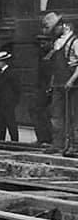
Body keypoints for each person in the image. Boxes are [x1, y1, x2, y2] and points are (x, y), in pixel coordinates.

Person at [43, 12, 78, 153]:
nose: (54, 32)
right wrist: (52, 83)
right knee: (57, 116)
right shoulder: (57, 43)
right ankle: (58, 144)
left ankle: (74, 145)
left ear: (62, 26)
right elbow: (55, 67)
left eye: (55, 28)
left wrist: (71, 81)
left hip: (72, 86)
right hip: (58, 84)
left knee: (73, 116)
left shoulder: (74, 42)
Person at [0, 50, 20, 142]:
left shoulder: (11, 73)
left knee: (10, 122)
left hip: (8, 102)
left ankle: (14, 140)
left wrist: (13, 101)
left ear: (3, 61)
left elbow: (17, 88)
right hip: (1, 102)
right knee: (1, 122)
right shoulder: (0, 73)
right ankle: (0, 139)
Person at [32, 33, 55, 146]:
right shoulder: (42, 55)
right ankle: (42, 138)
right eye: (40, 43)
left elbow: (54, 73)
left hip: (49, 88)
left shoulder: (54, 55)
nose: (42, 46)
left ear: (51, 42)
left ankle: (47, 138)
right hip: (41, 87)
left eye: (44, 43)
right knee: (36, 111)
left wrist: (50, 87)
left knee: (43, 112)